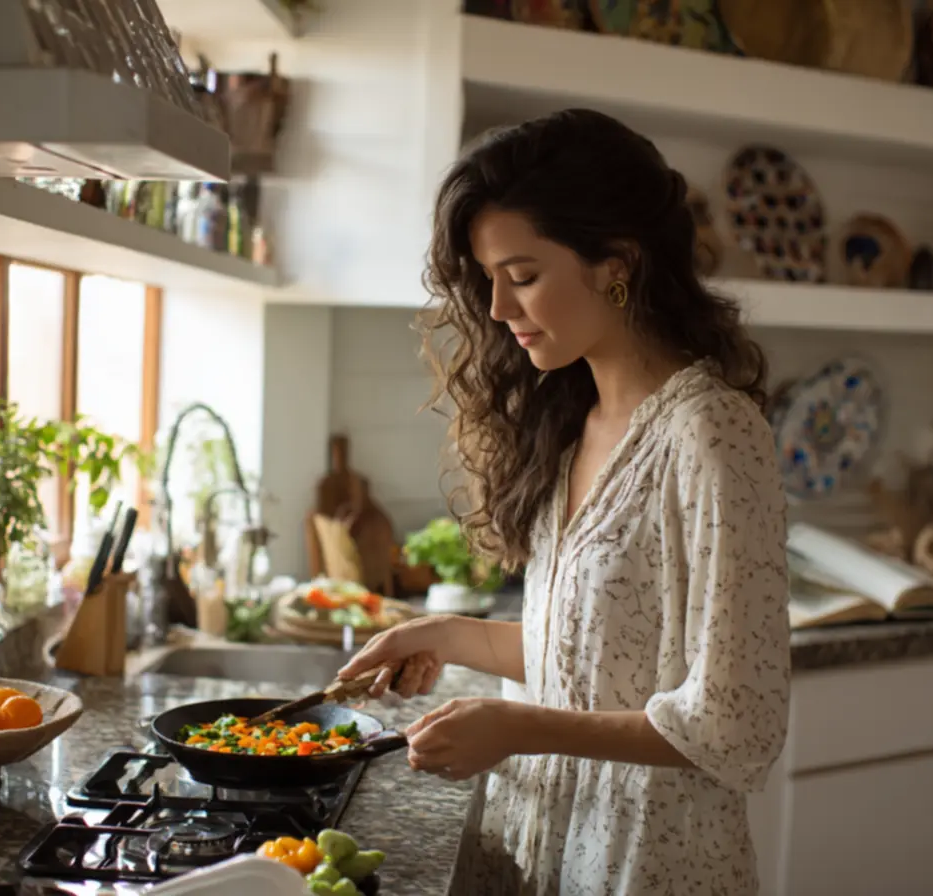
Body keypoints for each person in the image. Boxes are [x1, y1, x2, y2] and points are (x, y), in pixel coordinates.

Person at [337, 108, 791, 895]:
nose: (499, 311)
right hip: (548, 844)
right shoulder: (573, 421)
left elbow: (734, 722)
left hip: (648, 864)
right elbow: (593, 660)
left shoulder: (710, 433)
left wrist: (516, 727)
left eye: (522, 277)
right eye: (488, 282)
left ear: (617, 263)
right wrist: (442, 634)